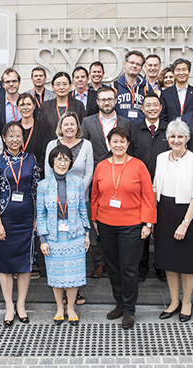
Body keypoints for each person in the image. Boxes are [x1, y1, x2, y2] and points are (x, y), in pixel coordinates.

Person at [90, 127, 156, 329]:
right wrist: (94, 219)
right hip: (106, 224)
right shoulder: (101, 166)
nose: (118, 145)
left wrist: (148, 223)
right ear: (109, 144)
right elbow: (95, 194)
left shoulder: (138, 166)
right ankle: (119, 303)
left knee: (128, 268)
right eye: (114, 141)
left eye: (122, 141)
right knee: (114, 267)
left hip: (131, 225)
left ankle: (129, 309)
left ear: (128, 144)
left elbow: (148, 195)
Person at [0, 122, 41, 326]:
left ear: (23, 138)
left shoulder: (31, 159)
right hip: (5, 218)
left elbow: (36, 190)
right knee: (5, 263)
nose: (14, 139)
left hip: (27, 218)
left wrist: (37, 219)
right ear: (3, 138)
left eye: (18, 135)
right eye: (10, 136)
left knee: (25, 263)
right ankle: (9, 305)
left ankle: (21, 305)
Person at [153, 120, 193, 322]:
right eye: (172, 136)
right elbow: (155, 187)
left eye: (180, 136)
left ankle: (188, 302)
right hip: (164, 213)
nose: (176, 140)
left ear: (187, 139)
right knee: (169, 261)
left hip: (186, 214)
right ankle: (174, 302)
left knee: (186, 262)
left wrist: (185, 223)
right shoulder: (161, 158)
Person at [81, 85, 132, 279]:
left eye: (110, 99)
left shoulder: (126, 122)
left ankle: (116, 260)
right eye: (102, 99)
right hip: (97, 175)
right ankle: (100, 261)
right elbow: (85, 149)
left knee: (117, 215)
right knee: (97, 216)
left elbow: (130, 148)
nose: (106, 103)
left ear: (116, 100)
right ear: (97, 102)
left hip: (121, 176)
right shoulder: (87, 122)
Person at [37, 145, 91, 325]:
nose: (62, 163)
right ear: (52, 162)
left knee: (74, 275)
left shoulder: (77, 182)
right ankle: (60, 307)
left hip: (75, 234)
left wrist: (86, 233)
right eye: (58, 159)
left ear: (71, 162)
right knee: (56, 274)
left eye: (66, 159)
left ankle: (71, 308)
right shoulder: (43, 185)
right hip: (53, 236)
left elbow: (83, 209)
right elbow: (41, 214)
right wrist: (42, 239)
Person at [42, 111, 93, 289]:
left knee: (74, 255)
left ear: (77, 127)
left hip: (79, 200)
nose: (69, 127)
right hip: (54, 203)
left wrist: (76, 191)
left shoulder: (86, 145)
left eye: (73, 124)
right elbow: (48, 172)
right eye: (66, 124)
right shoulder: (51, 145)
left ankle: (74, 291)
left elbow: (89, 172)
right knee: (58, 254)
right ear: (60, 127)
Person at [129, 93, 169, 281]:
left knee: (162, 229)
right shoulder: (135, 130)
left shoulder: (169, 131)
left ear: (161, 108)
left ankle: (162, 267)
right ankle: (141, 268)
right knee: (142, 230)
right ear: (142, 109)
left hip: (166, 187)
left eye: (155, 105)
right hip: (140, 188)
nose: (152, 108)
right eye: (148, 105)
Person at [41, 72, 86, 140]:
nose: (61, 87)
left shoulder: (78, 105)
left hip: (73, 145)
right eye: (58, 84)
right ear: (53, 87)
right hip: (52, 146)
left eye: (65, 84)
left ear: (70, 86)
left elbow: (83, 128)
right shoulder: (45, 106)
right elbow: (42, 130)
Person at [113, 50, 150, 125]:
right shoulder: (114, 86)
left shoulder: (147, 87)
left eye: (138, 64)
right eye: (131, 63)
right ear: (125, 64)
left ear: (141, 68)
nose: (134, 66)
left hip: (141, 129)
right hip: (120, 129)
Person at [18, 93, 50, 175]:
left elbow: (45, 150)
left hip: (37, 172)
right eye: (22, 105)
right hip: (16, 171)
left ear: (34, 106)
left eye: (28, 104)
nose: (25, 108)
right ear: (17, 107)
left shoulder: (44, 128)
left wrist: (38, 167)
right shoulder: (13, 128)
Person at [0, 68, 22, 132]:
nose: (11, 84)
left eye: (14, 81)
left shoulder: (27, 103)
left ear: (19, 83)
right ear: (3, 85)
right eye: (7, 82)